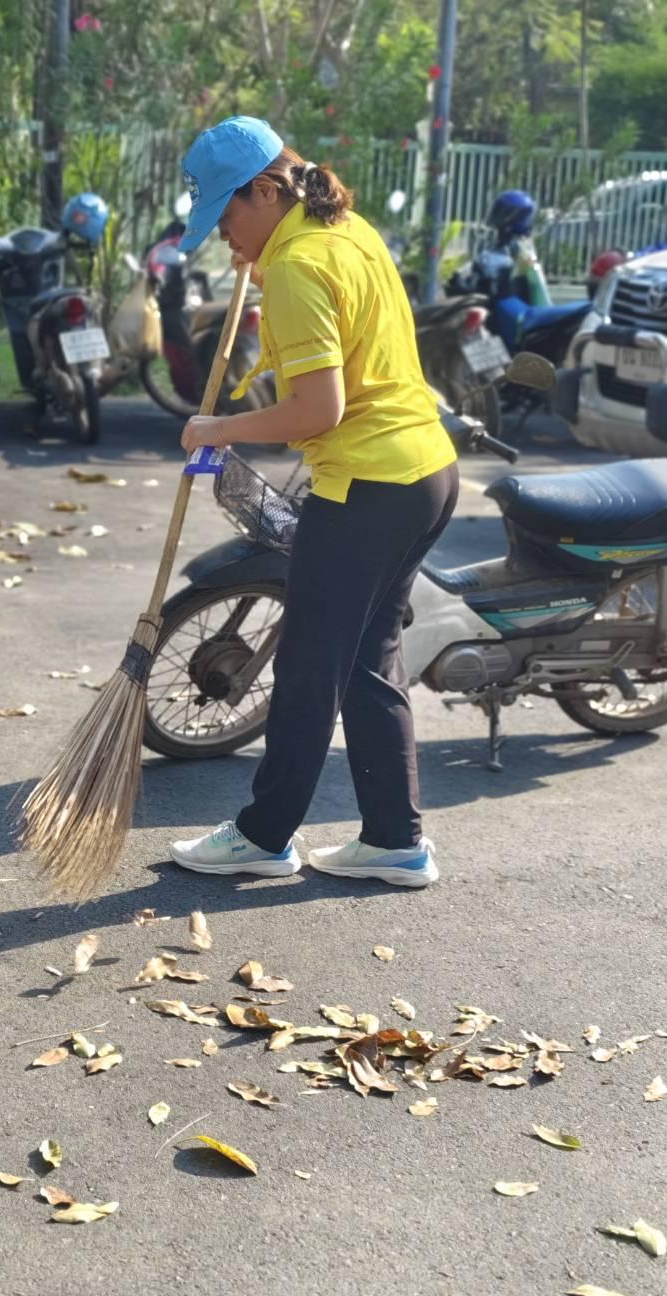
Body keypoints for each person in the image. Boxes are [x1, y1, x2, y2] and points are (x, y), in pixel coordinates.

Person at [169, 116, 457, 889]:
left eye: (228, 216)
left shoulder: (298, 262)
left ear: (266, 190)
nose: (226, 237)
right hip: (425, 473)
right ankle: (395, 841)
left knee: (307, 664)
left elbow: (317, 411)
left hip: (367, 484)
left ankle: (264, 837)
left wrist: (215, 427)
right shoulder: (346, 231)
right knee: (367, 659)